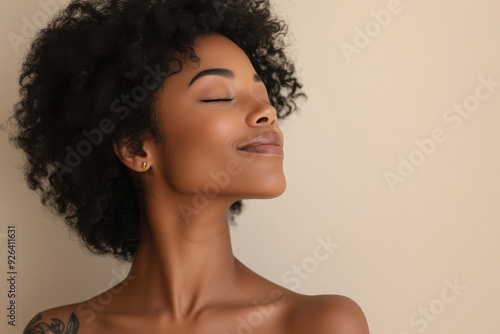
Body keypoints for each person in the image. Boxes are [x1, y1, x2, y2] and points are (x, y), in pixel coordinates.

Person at [11, 0, 369, 333]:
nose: (268, 112)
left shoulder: (319, 324)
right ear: (136, 147)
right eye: (218, 96)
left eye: (263, 96)